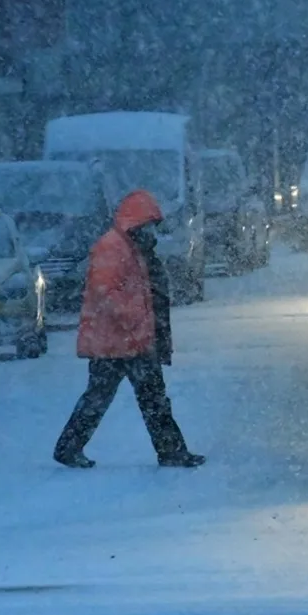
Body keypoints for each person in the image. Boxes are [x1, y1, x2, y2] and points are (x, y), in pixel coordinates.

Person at [53, 189, 205, 469]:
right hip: (117, 342)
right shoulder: (113, 247)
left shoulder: (132, 248)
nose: (152, 232)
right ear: (136, 222)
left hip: (126, 341)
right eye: (149, 225)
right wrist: (135, 322)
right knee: (137, 399)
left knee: (127, 398)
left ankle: (70, 448)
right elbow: (106, 291)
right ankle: (170, 452)